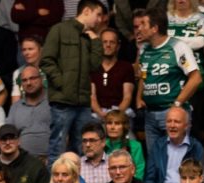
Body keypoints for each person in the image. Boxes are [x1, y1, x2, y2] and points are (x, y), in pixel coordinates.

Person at [40, 0, 106, 161]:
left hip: (83, 102)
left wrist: (96, 41)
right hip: (62, 101)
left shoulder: (89, 37)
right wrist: (61, 83)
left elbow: (95, 66)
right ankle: (54, 179)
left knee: (84, 149)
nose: (100, 20)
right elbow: (46, 60)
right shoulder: (59, 29)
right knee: (58, 148)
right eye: (98, 15)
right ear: (86, 11)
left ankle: (81, 179)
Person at [136, 8, 202, 156]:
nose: (139, 28)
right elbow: (143, 76)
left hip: (172, 114)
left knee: (175, 158)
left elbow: (196, 78)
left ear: (154, 28)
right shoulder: (144, 49)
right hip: (150, 114)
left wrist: (177, 104)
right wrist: (138, 97)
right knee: (155, 160)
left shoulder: (178, 47)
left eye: (143, 24)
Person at [145, 106, 204, 183]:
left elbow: (202, 177)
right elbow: (149, 178)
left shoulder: (195, 147)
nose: (172, 125)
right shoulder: (158, 146)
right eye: (169, 121)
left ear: (186, 126)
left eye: (177, 122)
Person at [5, 65, 52, 158]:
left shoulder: (53, 103)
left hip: (53, 159)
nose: (28, 83)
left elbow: (65, 134)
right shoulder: (15, 107)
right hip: (24, 160)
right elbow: (8, 135)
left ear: (41, 79)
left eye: (32, 78)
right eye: (24, 80)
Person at [90, 28, 136, 121]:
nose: (108, 45)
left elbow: (127, 97)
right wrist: (101, 113)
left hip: (120, 113)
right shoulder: (93, 67)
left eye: (112, 42)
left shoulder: (126, 67)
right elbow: (92, 97)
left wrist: (114, 116)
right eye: (104, 42)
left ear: (118, 46)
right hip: (98, 114)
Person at [104, 109, 146, 180]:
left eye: (117, 123)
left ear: (124, 126)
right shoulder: (102, 145)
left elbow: (139, 171)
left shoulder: (135, 146)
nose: (112, 127)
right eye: (109, 123)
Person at [11, 37, 47, 104]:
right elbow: (15, 101)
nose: (26, 53)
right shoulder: (18, 73)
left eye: (30, 49)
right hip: (27, 108)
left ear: (41, 50)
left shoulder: (50, 69)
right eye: (24, 50)